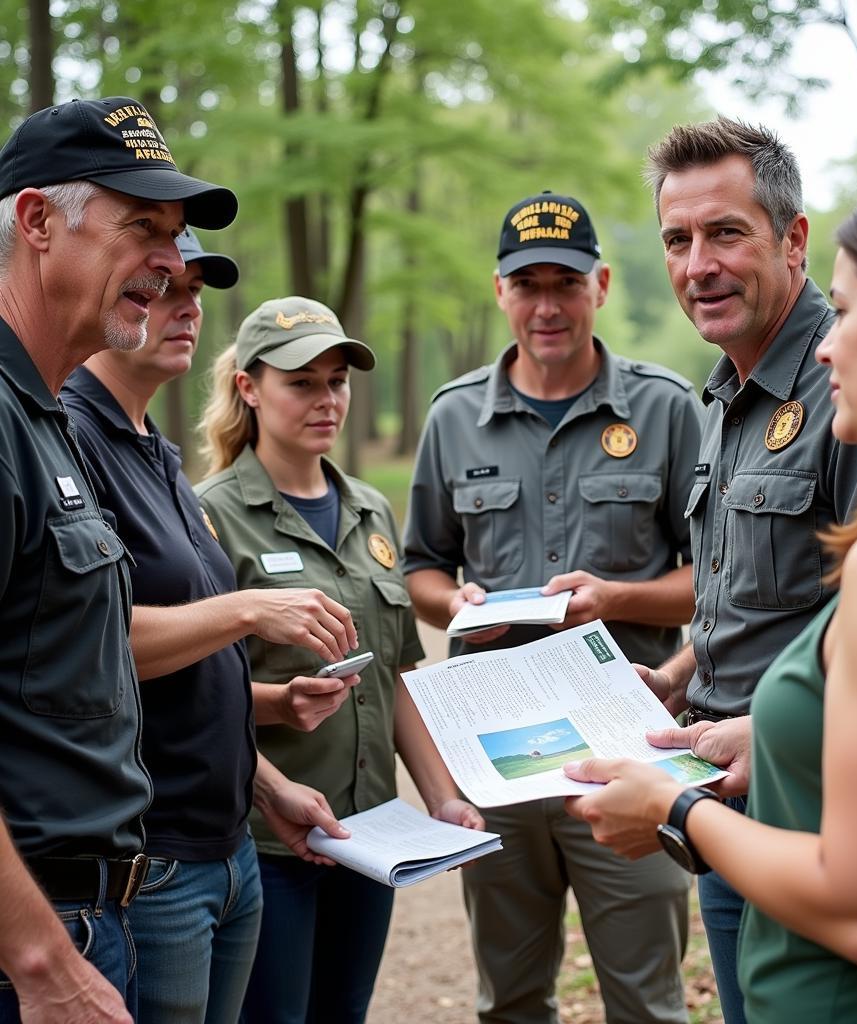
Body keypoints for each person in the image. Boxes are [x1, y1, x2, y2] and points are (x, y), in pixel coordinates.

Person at [566, 164, 857, 1022]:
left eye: (847, 312)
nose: (824, 344)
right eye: (676, 239)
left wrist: (674, 811)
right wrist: (761, 728)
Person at [402, 192, 705, 1024]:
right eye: (525, 284)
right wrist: (453, 600)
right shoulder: (454, 416)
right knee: (509, 999)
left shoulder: (667, 409)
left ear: (600, 285)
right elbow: (422, 566)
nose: (546, 305)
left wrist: (617, 599)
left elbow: (714, 577)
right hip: (495, 755)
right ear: (500, 292)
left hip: (627, 743)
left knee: (647, 999)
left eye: (564, 283)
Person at [604, 118, 857, 1024]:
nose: (697, 266)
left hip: (821, 811)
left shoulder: (853, 385)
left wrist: (773, 731)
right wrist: (674, 678)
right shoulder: (723, 396)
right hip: (721, 804)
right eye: (678, 240)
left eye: (726, 234)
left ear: (793, 240)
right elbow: (748, 587)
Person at [61, 230, 359, 1023]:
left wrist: (269, 784)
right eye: (162, 287)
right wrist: (250, 608)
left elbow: (188, 682)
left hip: (230, 852)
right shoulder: (69, 437)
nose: (186, 307)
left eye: (195, 292)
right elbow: (89, 645)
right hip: (155, 864)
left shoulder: (156, 451)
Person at [0, 96, 235, 1022]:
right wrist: (41, 961)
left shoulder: (45, 417)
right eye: (142, 226)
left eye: (176, 237)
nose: (173, 266)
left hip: (91, 917)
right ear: (36, 222)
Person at [194, 295, 482, 1024]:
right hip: (271, 839)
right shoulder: (208, 516)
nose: (326, 399)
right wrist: (275, 755)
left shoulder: (371, 512)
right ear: (249, 389)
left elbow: (399, 679)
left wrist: (440, 796)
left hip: (375, 834)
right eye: (302, 382)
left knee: (343, 1013)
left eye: (337, 380)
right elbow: (197, 691)